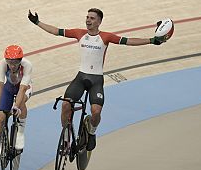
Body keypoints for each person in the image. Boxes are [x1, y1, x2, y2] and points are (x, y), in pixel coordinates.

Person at [28, 8, 165, 151]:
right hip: (80, 78)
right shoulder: (79, 33)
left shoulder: (106, 37)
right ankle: (67, 137)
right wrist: (37, 22)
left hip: (96, 81)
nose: (88, 20)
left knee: (96, 112)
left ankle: (91, 132)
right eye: (87, 17)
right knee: (65, 106)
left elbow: (129, 41)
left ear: (99, 22)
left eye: (92, 18)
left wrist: (151, 41)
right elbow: (55, 31)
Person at [0, 45, 33, 152]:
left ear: (21, 60)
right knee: (1, 118)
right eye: (9, 62)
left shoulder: (27, 65)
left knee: (21, 102)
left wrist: (16, 106)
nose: (12, 66)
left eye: (15, 63)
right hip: (9, 87)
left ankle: (21, 133)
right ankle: (2, 142)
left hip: (25, 87)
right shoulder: (3, 63)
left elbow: (22, 90)